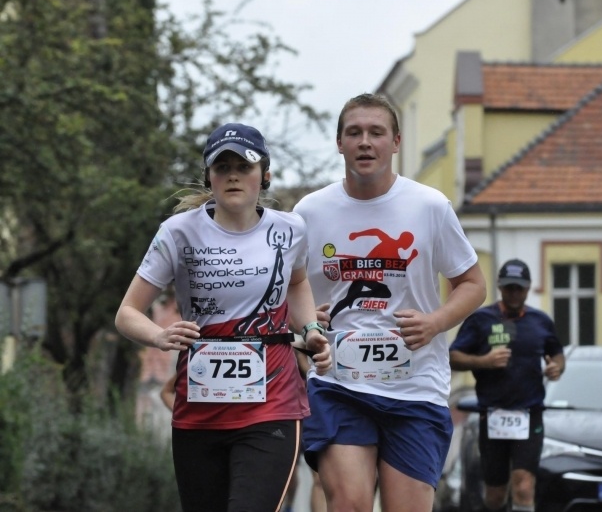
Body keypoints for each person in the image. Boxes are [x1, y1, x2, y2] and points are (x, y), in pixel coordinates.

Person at [115, 122, 331, 512]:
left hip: (272, 405)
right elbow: (127, 313)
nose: (232, 174)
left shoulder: (290, 229)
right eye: (221, 166)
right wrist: (159, 335)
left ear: (264, 175)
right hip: (200, 410)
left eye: (244, 166)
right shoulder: (178, 233)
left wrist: (311, 329)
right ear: (208, 177)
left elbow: (297, 283)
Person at [293, 93, 487, 512]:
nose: (365, 142)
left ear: (396, 142)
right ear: (339, 143)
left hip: (415, 387)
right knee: (349, 504)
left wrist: (435, 322)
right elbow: (288, 292)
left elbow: (472, 283)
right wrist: (305, 322)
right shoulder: (309, 212)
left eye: (376, 132)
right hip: (338, 384)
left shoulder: (430, 206)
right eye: (354, 133)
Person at [449, 259, 565, 512]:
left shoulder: (540, 321)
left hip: (529, 413)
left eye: (519, 288)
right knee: (495, 493)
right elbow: (453, 356)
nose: (514, 293)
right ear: (500, 287)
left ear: (528, 288)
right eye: (509, 287)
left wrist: (557, 367)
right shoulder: (481, 320)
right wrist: (484, 361)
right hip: (493, 414)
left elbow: (557, 353)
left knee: (523, 485)